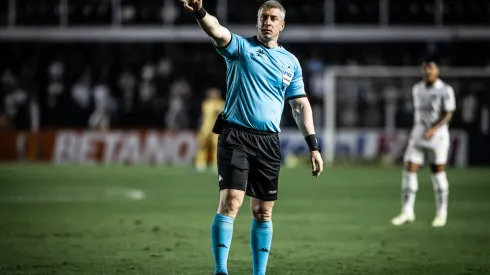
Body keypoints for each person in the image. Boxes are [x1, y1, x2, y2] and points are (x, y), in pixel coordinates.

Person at [179, 1, 324, 274]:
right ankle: (221, 270)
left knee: (263, 212)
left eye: (273, 18)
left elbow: (301, 106)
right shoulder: (241, 49)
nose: (267, 22)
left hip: (268, 142)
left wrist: (313, 146)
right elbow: (217, 32)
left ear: (282, 25)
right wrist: (200, 11)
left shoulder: (290, 63)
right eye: (263, 17)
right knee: (231, 201)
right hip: (235, 135)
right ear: (257, 21)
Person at [391, 56, 456, 228]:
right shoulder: (417, 89)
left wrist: (434, 128)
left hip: (438, 137)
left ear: (437, 71)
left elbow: (448, 113)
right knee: (409, 169)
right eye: (425, 68)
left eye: (431, 68)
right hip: (419, 134)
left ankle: (441, 214)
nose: (427, 71)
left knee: (438, 173)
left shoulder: (445, 90)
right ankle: (407, 212)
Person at [195, 87, 225, 172]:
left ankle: (215, 164)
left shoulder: (222, 103)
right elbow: (203, 116)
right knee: (202, 145)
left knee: (216, 146)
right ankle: (200, 163)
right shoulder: (206, 103)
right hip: (205, 127)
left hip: (216, 128)